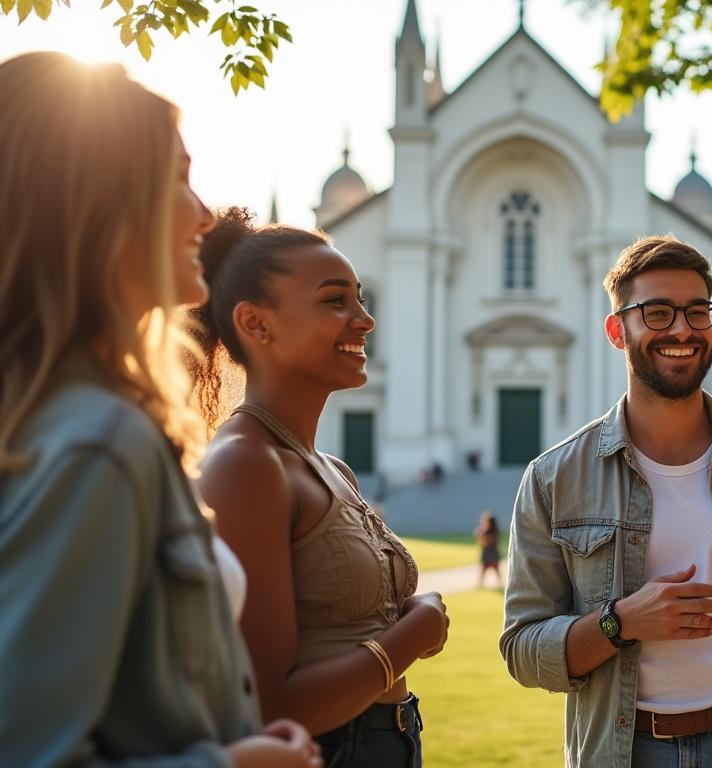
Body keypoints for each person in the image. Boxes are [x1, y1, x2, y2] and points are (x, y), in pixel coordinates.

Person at [0, 52, 320, 767]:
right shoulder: (100, 442)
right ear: (100, 202)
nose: (205, 214)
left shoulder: (76, 417)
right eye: (178, 179)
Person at [501, 235, 712, 768]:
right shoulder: (554, 477)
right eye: (657, 313)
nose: (682, 329)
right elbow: (523, 650)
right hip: (622, 752)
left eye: (697, 312)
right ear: (618, 330)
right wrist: (620, 622)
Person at [190, 207, 450, 767]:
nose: (364, 319)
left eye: (360, 298)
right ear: (256, 324)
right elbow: (268, 703)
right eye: (336, 301)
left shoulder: (331, 467)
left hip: (390, 740)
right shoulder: (246, 464)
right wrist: (413, 634)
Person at [476, 510, 503, 588]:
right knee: (484, 570)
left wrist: (480, 536)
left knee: (496, 570)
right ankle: (480, 584)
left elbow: (488, 542)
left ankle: (500, 584)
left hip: (492, 553)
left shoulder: (493, 532)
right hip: (487, 553)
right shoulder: (485, 531)